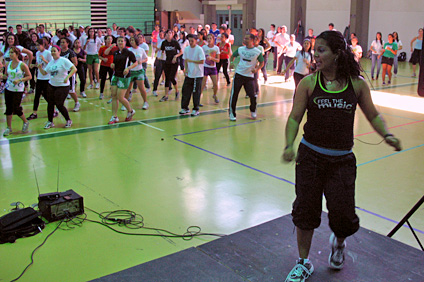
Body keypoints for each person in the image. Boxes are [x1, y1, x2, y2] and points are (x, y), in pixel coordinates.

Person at [281, 30, 402, 282]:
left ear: (337, 54)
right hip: (311, 157)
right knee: (305, 211)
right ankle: (303, 262)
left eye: (322, 50)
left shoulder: (356, 84)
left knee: (343, 216)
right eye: (315, 50)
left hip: (341, 161)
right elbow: (294, 118)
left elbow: (373, 114)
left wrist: (387, 134)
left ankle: (338, 242)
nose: (316, 55)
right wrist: (288, 145)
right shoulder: (308, 83)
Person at [37, 45, 77, 129]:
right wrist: (40, 68)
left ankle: (68, 120)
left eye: (54, 51)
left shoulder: (63, 60)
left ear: (59, 52)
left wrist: (67, 77)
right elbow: (45, 73)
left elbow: (74, 69)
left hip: (63, 86)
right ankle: (50, 121)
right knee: (50, 104)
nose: (53, 53)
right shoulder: (51, 62)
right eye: (51, 51)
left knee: (59, 104)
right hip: (52, 85)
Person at [228, 34, 264, 121]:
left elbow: (262, 62)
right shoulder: (240, 49)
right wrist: (232, 63)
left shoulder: (257, 51)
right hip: (239, 75)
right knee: (234, 95)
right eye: (244, 38)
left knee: (252, 95)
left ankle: (253, 110)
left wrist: (257, 69)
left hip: (249, 77)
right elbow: (233, 56)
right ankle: (232, 113)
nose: (245, 40)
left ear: (252, 40)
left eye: (247, 38)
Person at [105, 36, 138, 124]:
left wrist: (128, 68)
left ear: (125, 42)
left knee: (120, 97)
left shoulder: (129, 53)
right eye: (118, 41)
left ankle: (131, 111)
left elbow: (136, 62)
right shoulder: (115, 52)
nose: (120, 42)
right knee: (114, 96)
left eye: (121, 41)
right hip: (116, 75)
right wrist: (112, 64)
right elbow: (111, 58)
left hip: (124, 77)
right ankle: (114, 117)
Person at [2, 47, 32, 136]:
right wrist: (2, 76)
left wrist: (20, 80)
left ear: (17, 54)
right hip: (8, 88)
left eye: (12, 53)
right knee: (8, 108)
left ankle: (25, 121)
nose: (10, 54)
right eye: (9, 53)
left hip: (18, 89)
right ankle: (9, 127)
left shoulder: (22, 65)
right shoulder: (8, 64)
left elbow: (29, 76)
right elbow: (6, 76)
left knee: (16, 107)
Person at [27, 39, 53, 121]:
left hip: (47, 77)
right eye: (36, 45)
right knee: (37, 95)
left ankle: (54, 110)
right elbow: (39, 64)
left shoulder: (48, 53)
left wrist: (44, 60)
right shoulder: (37, 53)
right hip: (39, 77)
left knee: (47, 96)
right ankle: (34, 113)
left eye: (39, 45)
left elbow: (52, 64)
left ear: (43, 45)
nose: (37, 47)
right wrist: (34, 65)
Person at [179, 34, 205, 116]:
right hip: (189, 74)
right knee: (185, 91)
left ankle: (196, 109)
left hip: (197, 74)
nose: (190, 42)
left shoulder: (199, 49)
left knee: (196, 92)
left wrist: (192, 61)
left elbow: (202, 61)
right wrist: (186, 70)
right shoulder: (186, 49)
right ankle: (185, 108)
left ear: (196, 40)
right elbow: (186, 60)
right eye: (189, 41)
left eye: (192, 41)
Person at [125, 36, 149, 110]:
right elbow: (126, 61)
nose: (131, 42)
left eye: (133, 40)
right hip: (131, 71)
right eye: (130, 40)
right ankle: (125, 104)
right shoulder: (128, 50)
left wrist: (141, 61)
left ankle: (145, 102)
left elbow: (146, 58)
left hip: (139, 71)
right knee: (128, 88)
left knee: (141, 87)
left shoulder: (141, 50)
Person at [159, 29, 182, 102]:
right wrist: (163, 57)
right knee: (167, 78)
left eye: (170, 33)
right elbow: (162, 51)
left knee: (172, 77)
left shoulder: (175, 42)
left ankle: (177, 91)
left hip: (174, 62)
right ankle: (166, 95)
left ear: (172, 34)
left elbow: (181, 52)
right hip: (167, 62)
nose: (169, 34)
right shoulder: (164, 43)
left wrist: (176, 56)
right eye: (168, 33)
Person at [59, 38, 80, 111]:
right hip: (61, 74)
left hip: (69, 74)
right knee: (61, 90)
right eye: (61, 42)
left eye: (63, 42)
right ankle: (59, 106)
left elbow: (75, 63)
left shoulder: (71, 52)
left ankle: (77, 102)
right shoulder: (59, 52)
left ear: (67, 43)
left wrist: (67, 68)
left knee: (71, 91)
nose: (62, 44)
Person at [201, 33, 220, 104]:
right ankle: (199, 97)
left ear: (213, 39)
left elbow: (218, 60)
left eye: (210, 38)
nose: (209, 40)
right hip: (205, 67)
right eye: (208, 38)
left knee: (215, 84)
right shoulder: (204, 48)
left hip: (213, 68)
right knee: (202, 84)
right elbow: (201, 57)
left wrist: (212, 58)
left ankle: (215, 95)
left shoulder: (216, 48)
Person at [98, 35, 117, 100]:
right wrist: (103, 59)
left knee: (112, 79)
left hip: (111, 66)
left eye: (111, 39)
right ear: (105, 40)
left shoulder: (114, 47)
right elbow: (99, 56)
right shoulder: (102, 47)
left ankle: (112, 93)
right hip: (104, 65)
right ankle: (101, 93)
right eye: (108, 39)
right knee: (103, 79)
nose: (109, 40)